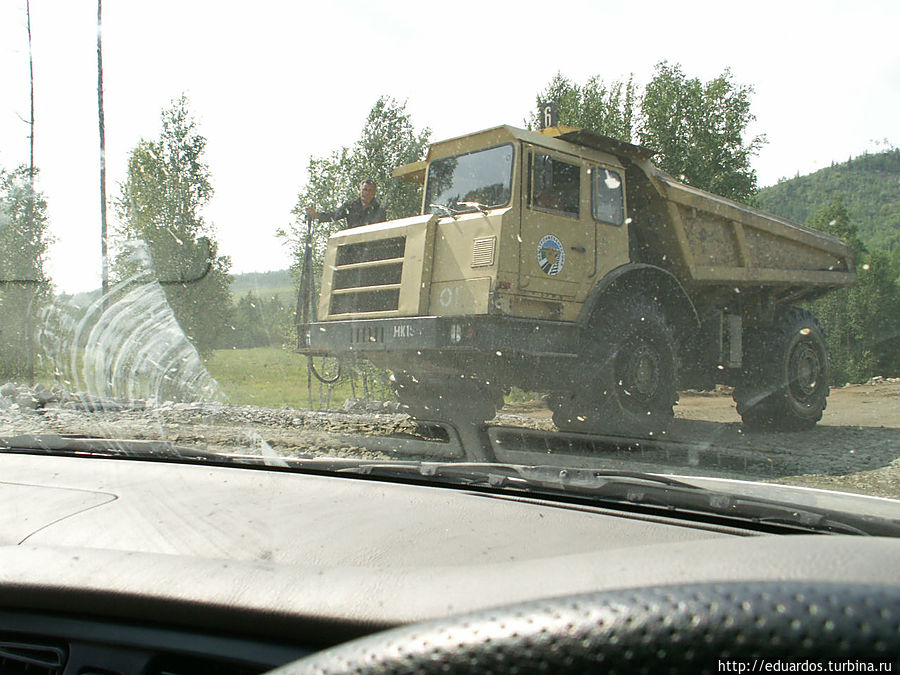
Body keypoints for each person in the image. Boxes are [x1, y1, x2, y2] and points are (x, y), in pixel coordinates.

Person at [306, 179, 386, 230]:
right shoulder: (350, 206)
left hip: (371, 247)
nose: (367, 193)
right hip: (352, 246)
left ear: (374, 193)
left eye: (370, 190)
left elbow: (382, 230)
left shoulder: (379, 210)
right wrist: (316, 215)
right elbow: (334, 216)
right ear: (360, 190)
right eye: (365, 190)